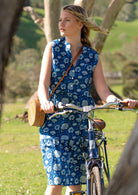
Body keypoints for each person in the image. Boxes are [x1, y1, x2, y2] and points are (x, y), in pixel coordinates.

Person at [38, 5, 137, 195]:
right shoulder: (53, 48)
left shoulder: (92, 56)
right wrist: (45, 102)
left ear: (80, 23)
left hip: (81, 123)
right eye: (60, 19)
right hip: (56, 119)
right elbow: (42, 85)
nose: (61, 23)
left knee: (76, 185)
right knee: (56, 180)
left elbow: (103, 91)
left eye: (66, 19)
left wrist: (119, 101)